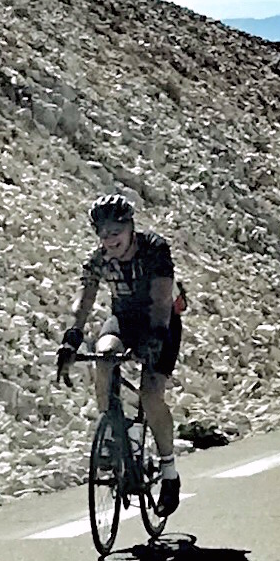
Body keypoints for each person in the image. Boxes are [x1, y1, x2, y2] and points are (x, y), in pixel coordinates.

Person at [56, 194, 183, 517]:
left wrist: (154, 339)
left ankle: (169, 473)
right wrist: (72, 338)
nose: (109, 239)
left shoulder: (154, 249)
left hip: (160, 321)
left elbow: (162, 300)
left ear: (130, 228)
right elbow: (84, 301)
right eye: (102, 233)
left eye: (115, 232)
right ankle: (111, 433)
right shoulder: (98, 259)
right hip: (124, 320)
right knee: (103, 356)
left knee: (151, 395)